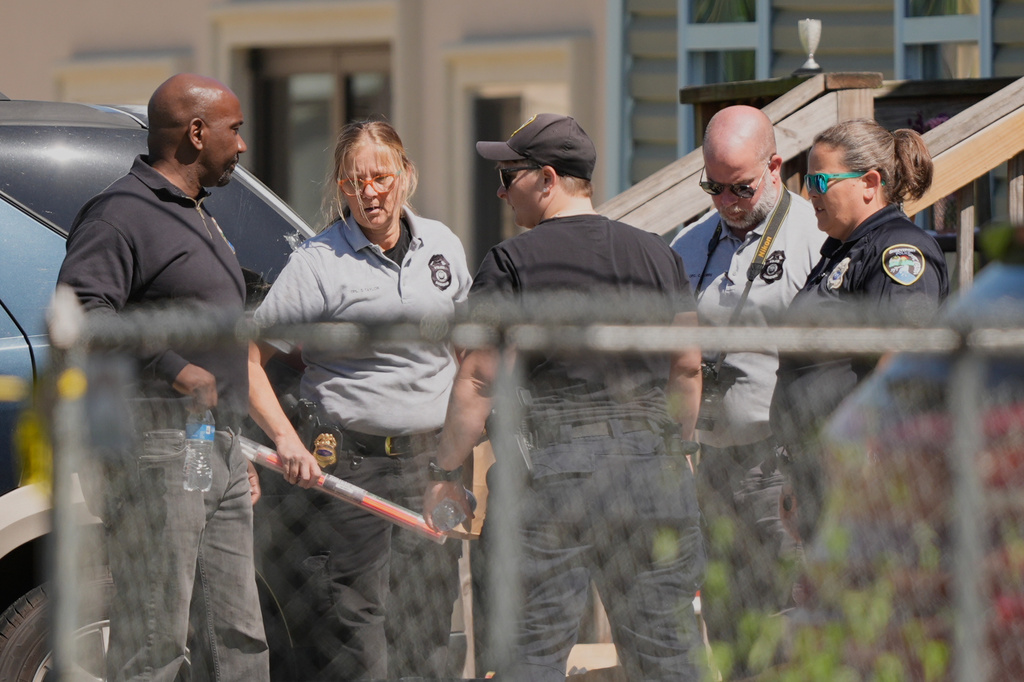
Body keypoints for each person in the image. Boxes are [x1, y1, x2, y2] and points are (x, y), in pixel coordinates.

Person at [423, 113, 707, 681]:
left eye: (509, 176)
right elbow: (688, 366)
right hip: (651, 472)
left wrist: (444, 468)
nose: (501, 191)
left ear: (547, 178)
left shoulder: (511, 263)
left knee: (532, 654)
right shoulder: (659, 256)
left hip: (554, 476)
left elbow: (479, 378)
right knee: (668, 655)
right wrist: (673, 451)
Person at [56, 74, 269, 682]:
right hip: (159, 443)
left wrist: (234, 443)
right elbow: (84, 315)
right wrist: (172, 368)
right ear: (197, 133)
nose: (243, 145)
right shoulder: (121, 213)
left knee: (239, 635)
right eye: (236, 129)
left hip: (214, 445)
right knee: (155, 636)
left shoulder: (197, 213)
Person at [247, 120, 472, 680]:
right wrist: (285, 439)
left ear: (406, 175)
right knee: (353, 629)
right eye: (354, 182)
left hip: (434, 466)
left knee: (431, 618)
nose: (369, 192)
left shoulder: (444, 246)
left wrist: (462, 457)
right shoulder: (318, 263)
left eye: (380, 176)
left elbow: (471, 355)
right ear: (341, 189)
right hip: (350, 471)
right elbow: (246, 360)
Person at [668, 105, 825, 654]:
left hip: (778, 461)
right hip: (709, 462)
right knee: (727, 615)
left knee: (786, 614)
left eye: (741, 188)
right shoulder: (688, 246)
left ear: (776, 166)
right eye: (714, 188)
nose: (728, 203)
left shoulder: (814, 236)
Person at [770, 118, 949, 542]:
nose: (809, 192)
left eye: (820, 180)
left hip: (861, 469)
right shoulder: (842, 251)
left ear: (869, 182)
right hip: (819, 465)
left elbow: (901, 356)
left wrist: (873, 458)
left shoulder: (899, 250)